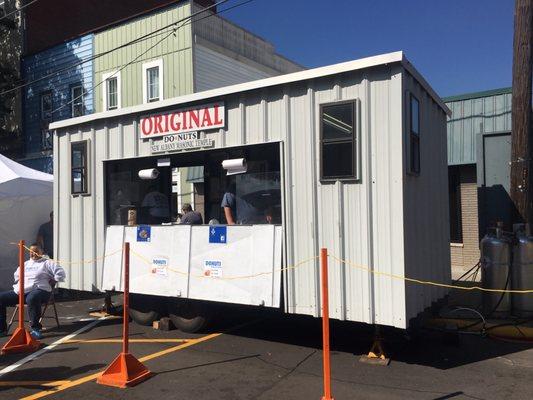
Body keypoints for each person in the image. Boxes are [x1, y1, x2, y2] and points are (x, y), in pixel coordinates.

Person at [0, 243, 66, 339]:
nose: (33, 254)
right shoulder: (25, 264)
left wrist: (53, 281)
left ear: (41, 252)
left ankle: (36, 329)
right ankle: (2, 329)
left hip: (41, 290)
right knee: (1, 298)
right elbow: (17, 276)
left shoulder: (47, 262)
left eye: (36, 252)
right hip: (22, 291)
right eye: (31, 252)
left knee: (32, 298)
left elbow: (60, 273)